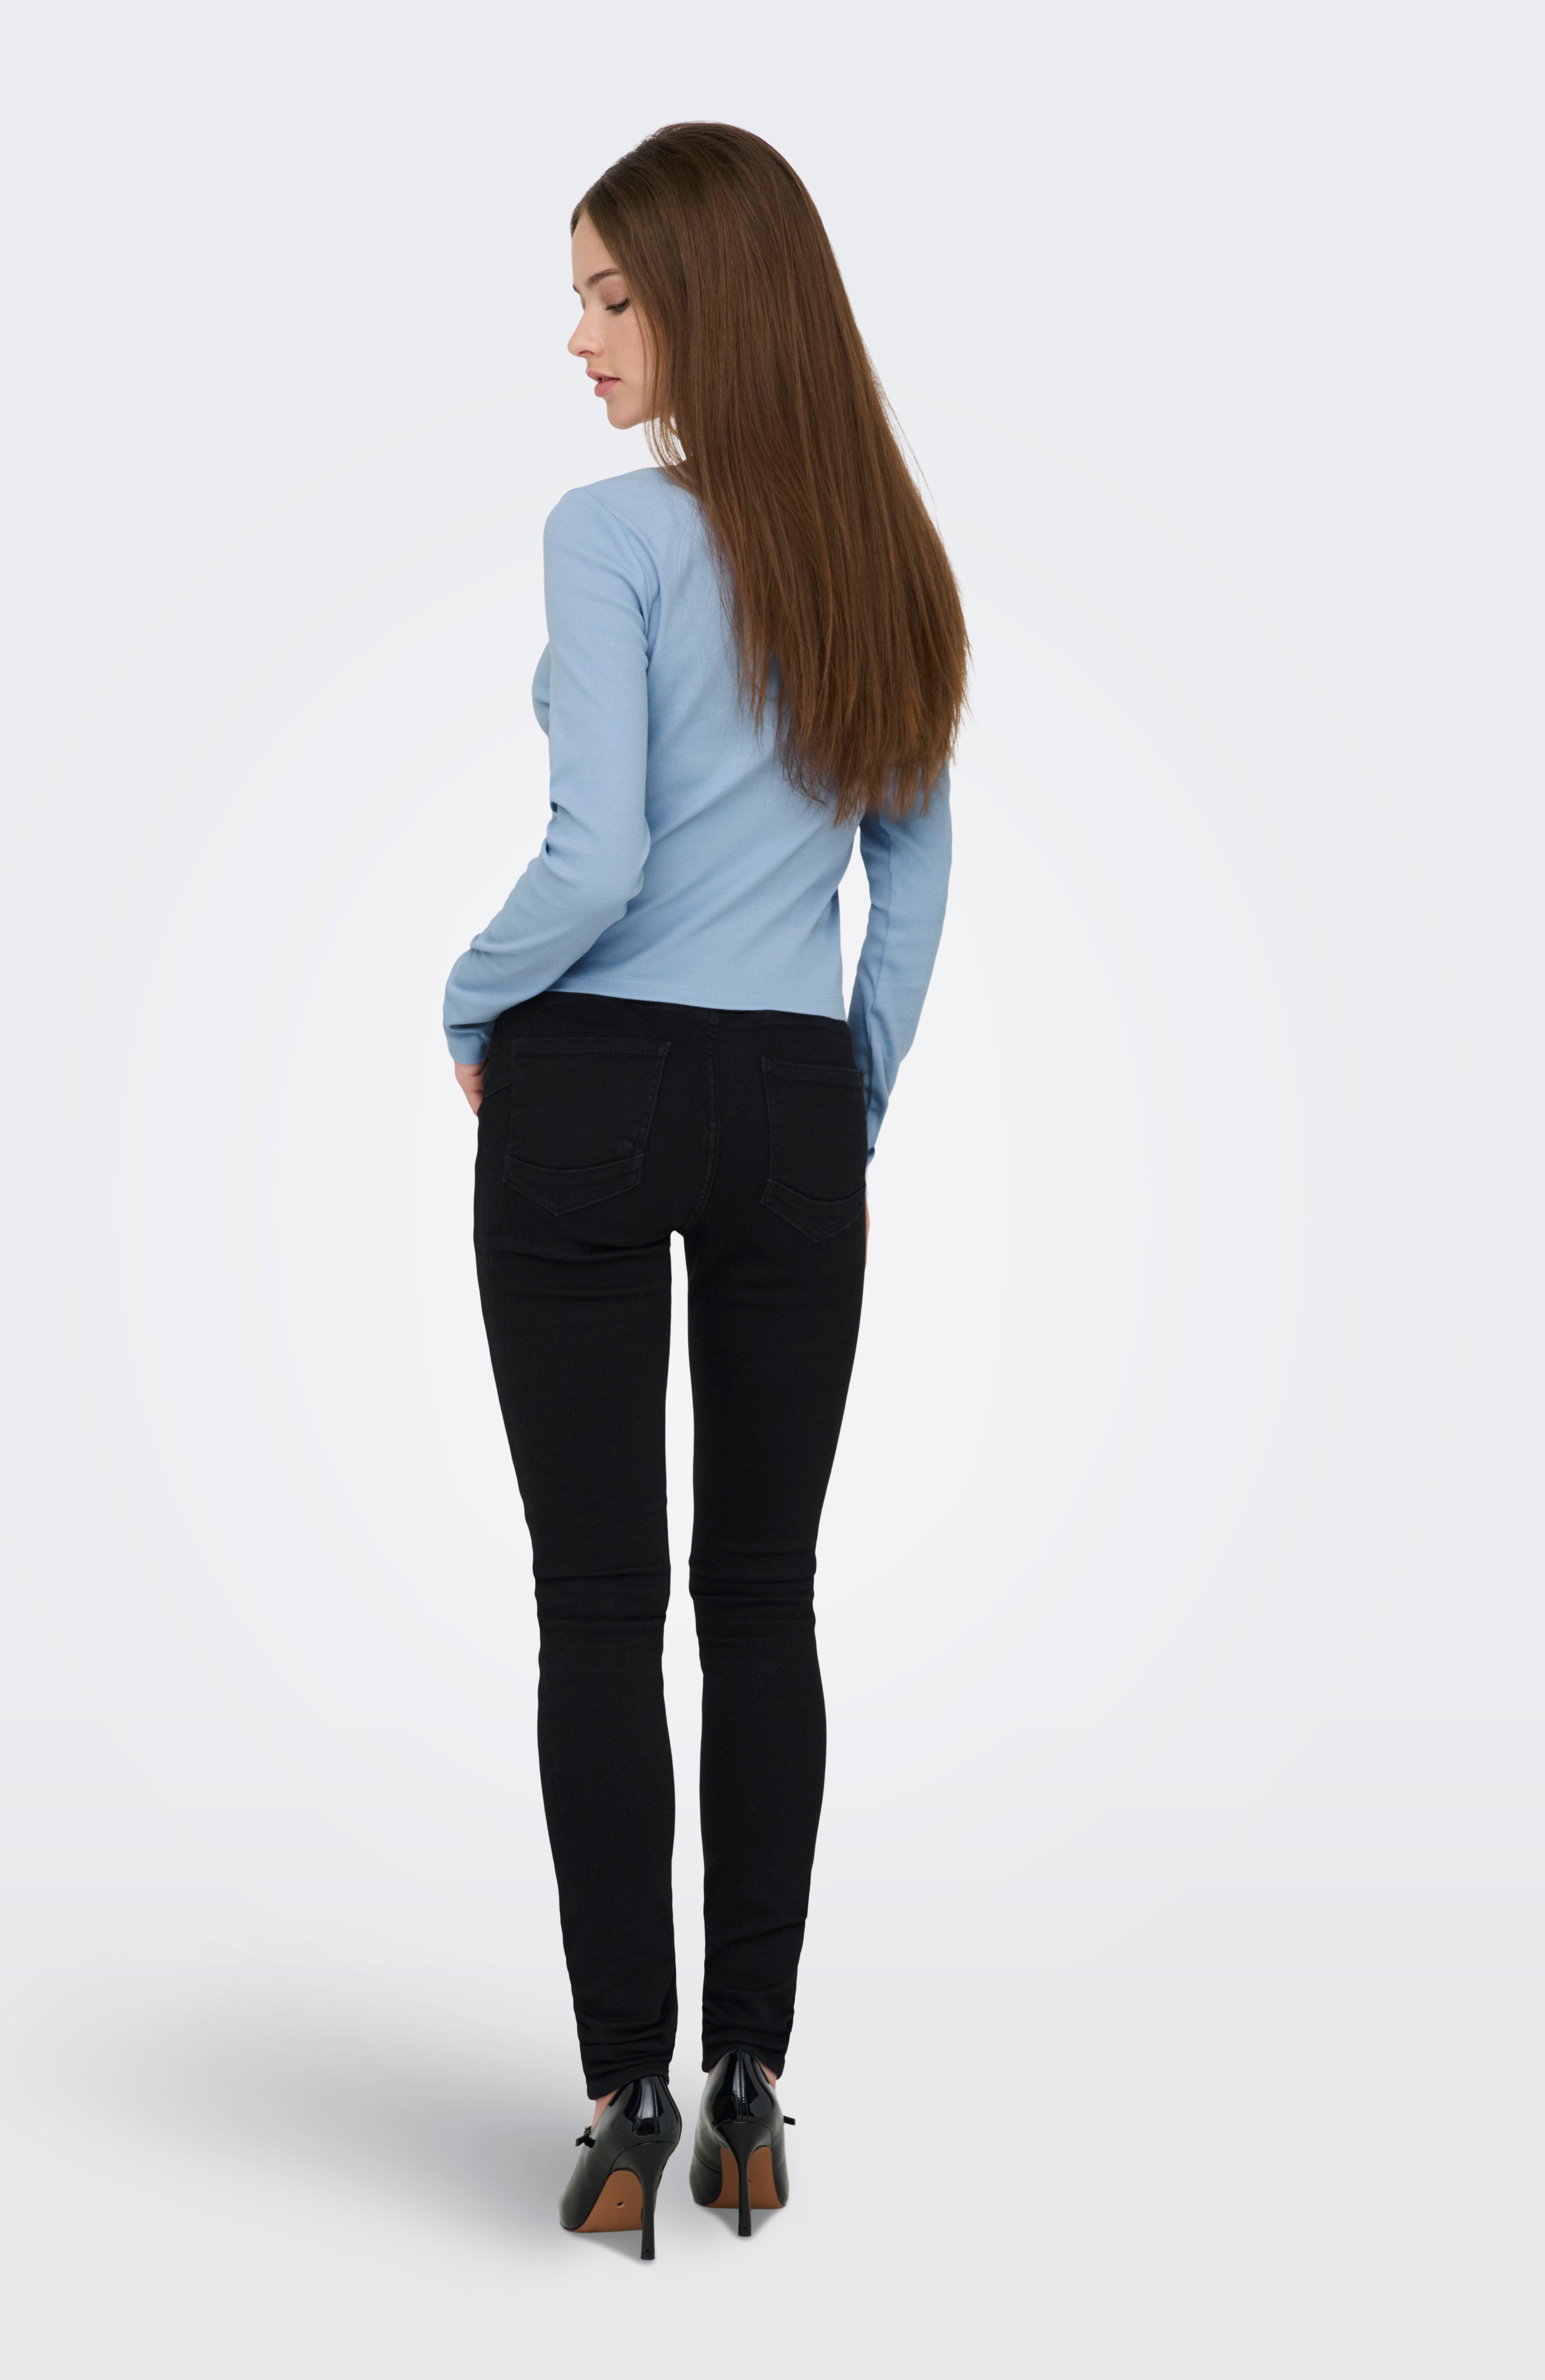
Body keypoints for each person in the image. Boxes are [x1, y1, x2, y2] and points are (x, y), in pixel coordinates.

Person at [442, 122, 964, 2258]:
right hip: (786, 1099)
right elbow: (912, 877)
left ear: (710, 306)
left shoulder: (609, 535)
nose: (578, 339)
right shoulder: (884, 555)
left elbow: (599, 855)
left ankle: (623, 2101)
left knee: (598, 1601)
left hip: (588, 1081)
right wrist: (843, 1092)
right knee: (763, 1597)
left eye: (611, 296)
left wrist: (471, 1000)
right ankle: (753, 2083)